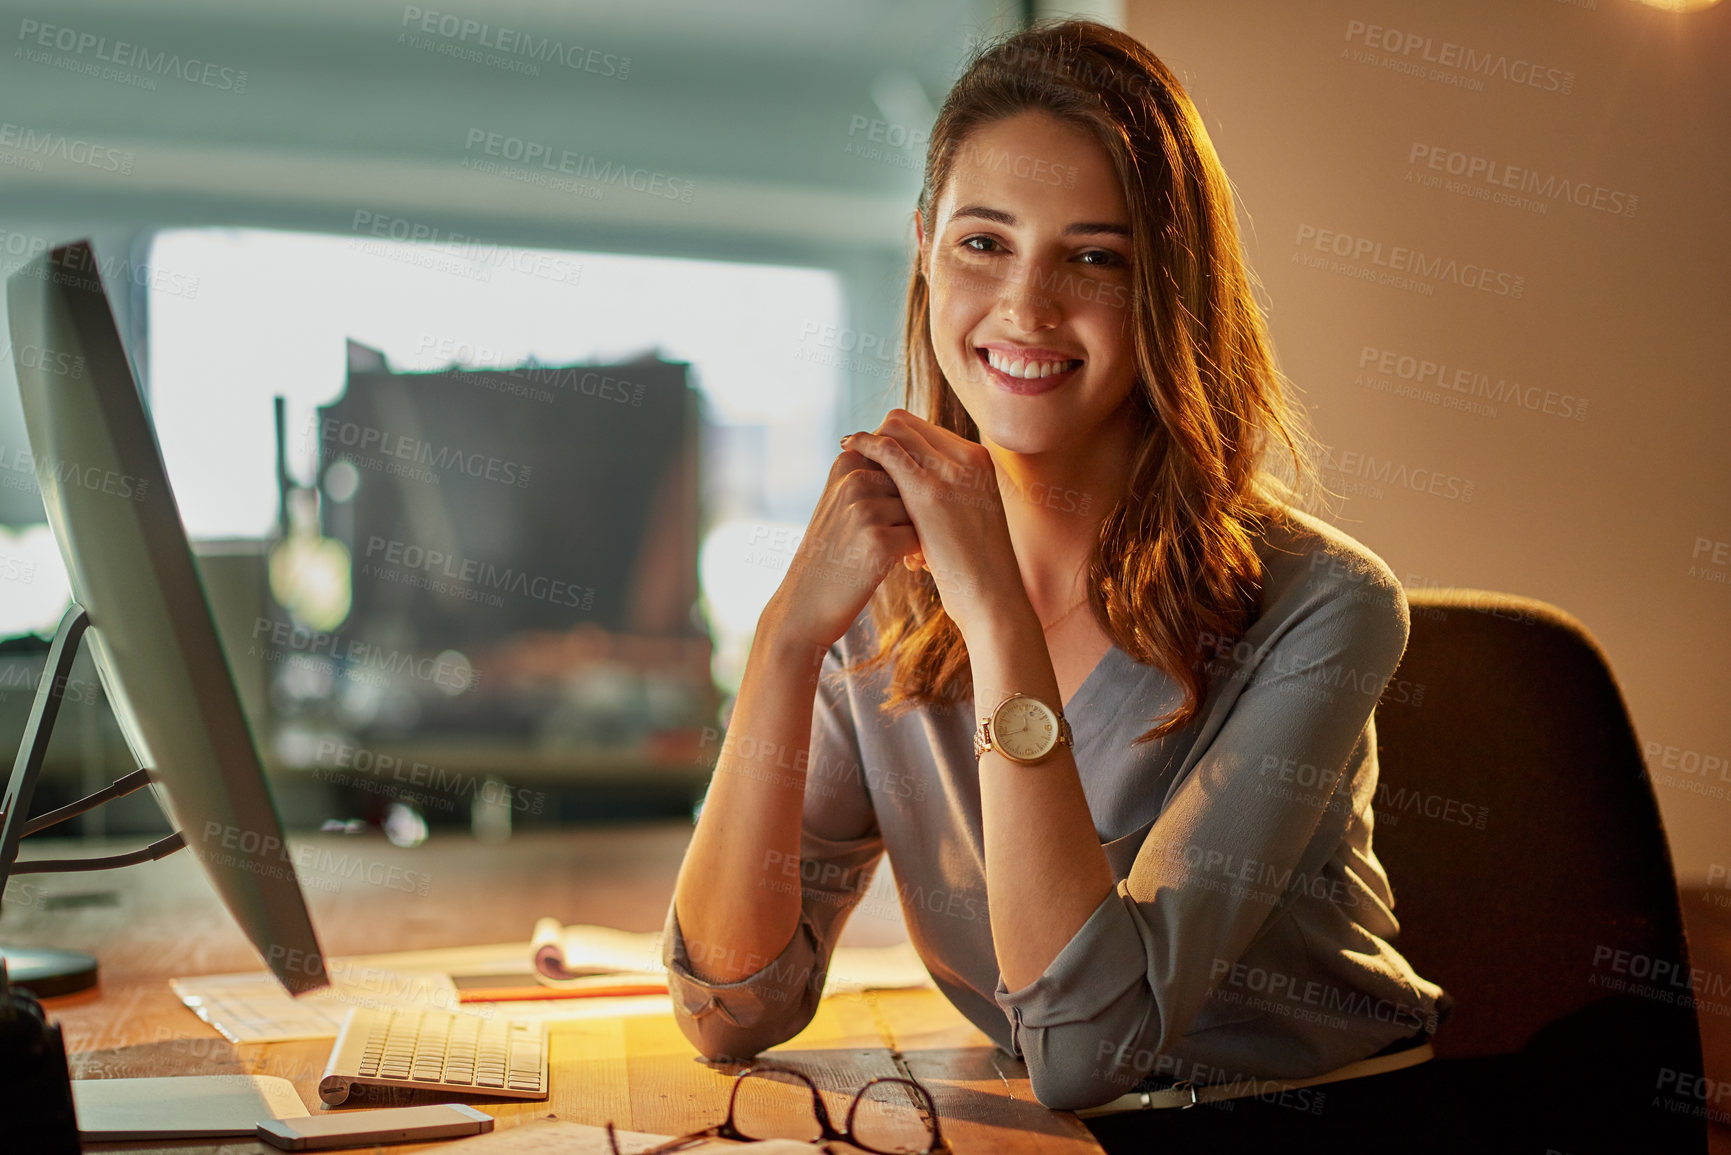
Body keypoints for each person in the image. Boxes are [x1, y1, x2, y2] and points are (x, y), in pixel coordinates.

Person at [659, 18, 1455, 1150]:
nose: (1027, 310)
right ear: (926, 245)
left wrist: (995, 621)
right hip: (1039, 1136)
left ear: (1167, 289)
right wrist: (786, 641)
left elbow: (1088, 1050)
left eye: (1094, 257)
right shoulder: (884, 590)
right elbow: (728, 1010)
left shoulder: (1328, 607)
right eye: (985, 243)